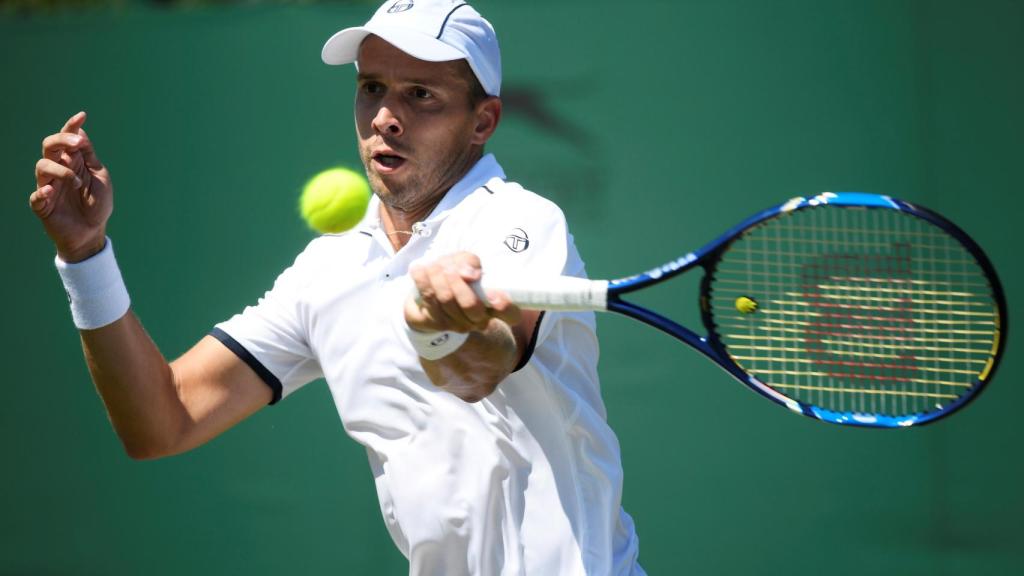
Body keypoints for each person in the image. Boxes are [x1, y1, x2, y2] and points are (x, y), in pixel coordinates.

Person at [29, 1, 644, 574]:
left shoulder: (520, 220)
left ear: (481, 121)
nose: (383, 117)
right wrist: (85, 255)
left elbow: (481, 368)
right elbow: (161, 421)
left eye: (420, 94)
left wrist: (436, 331)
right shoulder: (326, 271)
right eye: (371, 87)